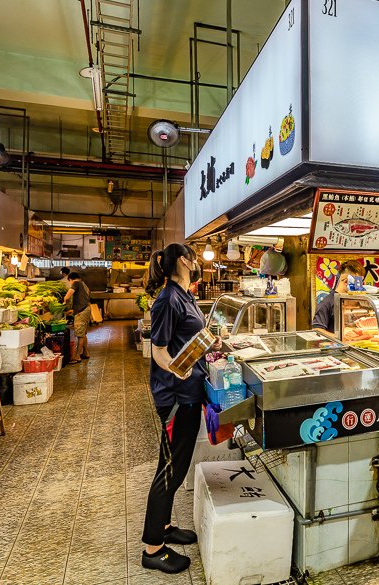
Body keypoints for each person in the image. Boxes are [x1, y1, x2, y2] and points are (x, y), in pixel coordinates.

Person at [141, 244, 222, 574]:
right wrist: (176, 368)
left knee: (178, 463)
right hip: (175, 398)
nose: (198, 261)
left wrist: (210, 343)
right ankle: (153, 548)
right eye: (194, 256)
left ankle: (163, 528)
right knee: (170, 468)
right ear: (184, 261)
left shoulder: (184, 294)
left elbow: (187, 336)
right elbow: (158, 349)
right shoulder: (167, 299)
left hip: (189, 395)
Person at [312, 260, 366, 333]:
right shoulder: (327, 302)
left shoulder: (355, 301)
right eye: (357, 282)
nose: (359, 286)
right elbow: (317, 330)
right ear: (346, 281)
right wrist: (340, 339)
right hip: (336, 344)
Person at [63, 272, 92, 363]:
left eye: (69, 282)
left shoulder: (76, 283)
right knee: (83, 333)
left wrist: (64, 301)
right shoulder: (84, 284)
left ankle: (77, 356)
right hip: (86, 309)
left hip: (82, 311)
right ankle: (85, 353)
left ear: (71, 279)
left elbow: (68, 295)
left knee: (79, 335)